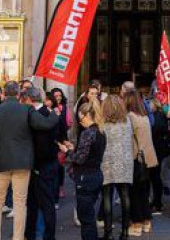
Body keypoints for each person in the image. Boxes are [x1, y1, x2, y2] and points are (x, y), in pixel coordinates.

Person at [0, 82, 59, 240]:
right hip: (23, 163)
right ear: (19, 94)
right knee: (20, 203)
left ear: (4, 93)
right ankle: (18, 237)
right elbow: (45, 124)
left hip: (0, 163)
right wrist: (54, 113)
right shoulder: (27, 110)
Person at [60, 101, 106, 240]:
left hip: (85, 178)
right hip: (96, 175)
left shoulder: (88, 133)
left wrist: (67, 151)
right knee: (89, 214)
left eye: (81, 119)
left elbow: (80, 159)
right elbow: (89, 153)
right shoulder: (101, 131)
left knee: (85, 217)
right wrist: (74, 149)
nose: (80, 122)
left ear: (88, 115)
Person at [25, 87, 62, 240]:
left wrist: (38, 167)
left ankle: (48, 236)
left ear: (28, 99)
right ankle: (31, 233)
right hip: (46, 163)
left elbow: (42, 145)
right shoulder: (49, 113)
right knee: (34, 202)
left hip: (42, 166)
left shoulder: (40, 115)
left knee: (45, 203)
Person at [100, 94, 133, 239]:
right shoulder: (127, 122)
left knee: (107, 196)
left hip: (107, 161)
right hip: (125, 161)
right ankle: (125, 231)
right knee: (125, 195)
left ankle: (108, 233)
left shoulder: (102, 125)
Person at [126, 91, 158, 236]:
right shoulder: (144, 116)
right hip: (148, 159)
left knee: (134, 193)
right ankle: (146, 222)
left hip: (136, 159)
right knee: (144, 192)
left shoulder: (130, 117)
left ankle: (137, 224)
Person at [148, 98, 170, 214]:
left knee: (155, 176)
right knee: (155, 176)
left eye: (150, 104)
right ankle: (156, 201)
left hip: (157, 150)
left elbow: (157, 130)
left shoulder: (158, 116)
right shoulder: (159, 115)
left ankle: (157, 202)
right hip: (158, 149)